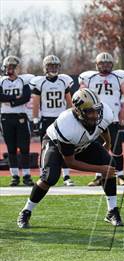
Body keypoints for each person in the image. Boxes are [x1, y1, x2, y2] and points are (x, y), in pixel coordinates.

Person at [17, 88, 124, 228]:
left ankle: (112, 211)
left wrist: (107, 144)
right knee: (50, 177)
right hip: (55, 144)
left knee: (110, 163)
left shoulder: (104, 113)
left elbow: (102, 127)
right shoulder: (67, 124)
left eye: (96, 110)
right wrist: (99, 169)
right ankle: (26, 211)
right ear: (78, 111)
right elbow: (69, 162)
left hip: (82, 142)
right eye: (89, 111)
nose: (95, 114)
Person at [79, 52, 124, 186]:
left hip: (113, 119)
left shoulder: (118, 77)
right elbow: (81, 95)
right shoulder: (89, 78)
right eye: (102, 63)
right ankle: (99, 175)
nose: (105, 66)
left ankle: (120, 175)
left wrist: (123, 111)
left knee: (117, 148)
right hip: (94, 119)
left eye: (108, 63)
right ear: (97, 65)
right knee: (96, 148)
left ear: (112, 64)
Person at [30, 55, 75, 186]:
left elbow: (69, 102)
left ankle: (66, 176)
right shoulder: (40, 82)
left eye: (55, 66)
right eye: (50, 66)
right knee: (45, 148)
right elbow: (36, 103)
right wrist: (35, 120)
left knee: (65, 146)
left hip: (61, 119)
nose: (53, 68)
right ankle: (43, 173)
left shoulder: (64, 81)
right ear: (45, 67)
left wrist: (72, 115)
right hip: (46, 119)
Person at [0, 56, 34, 186]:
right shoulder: (2, 81)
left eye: (13, 67)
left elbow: (25, 97)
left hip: (21, 116)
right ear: (5, 68)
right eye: (9, 67)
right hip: (6, 117)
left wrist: (9, 100)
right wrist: (15, 98)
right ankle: (14, 176)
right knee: (11, 148)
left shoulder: (23, 81)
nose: (11, 69)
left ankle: (26, 175)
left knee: (24, 147)